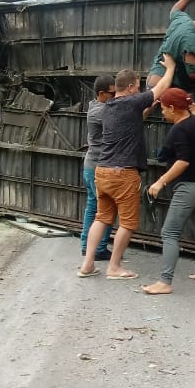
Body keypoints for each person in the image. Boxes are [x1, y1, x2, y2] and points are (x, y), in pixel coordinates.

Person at [78, 54, 176, 279]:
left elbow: (134, 116)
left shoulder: (109, 105)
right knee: (129, 223)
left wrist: (148, 106)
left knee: (102, 218)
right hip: (123, 174)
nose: (140, 90)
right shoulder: (132, 101)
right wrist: (170, 68)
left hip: (102, 172)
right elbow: (161, 87)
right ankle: (114, 267)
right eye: (139, 87)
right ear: (131, 87)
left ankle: (87, 265)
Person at [142, 87, 195, 295]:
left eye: (163, 109)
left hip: (188, 186)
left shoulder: (179, 129)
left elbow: (182, 161)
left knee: (169, 232)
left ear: (172, 108)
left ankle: (165, 282)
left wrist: (160, 182)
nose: (162, 113)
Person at [81, 74, 116, 261]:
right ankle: (97, 249)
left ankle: (88, 247)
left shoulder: (98, 106)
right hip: (96, 167)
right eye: (113, 93)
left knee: (93, 206)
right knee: (105, 209)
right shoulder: (100, 112)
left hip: (92, 166)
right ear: (101, 94)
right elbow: (125, 119)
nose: (116, 95)